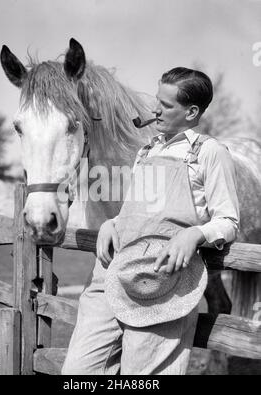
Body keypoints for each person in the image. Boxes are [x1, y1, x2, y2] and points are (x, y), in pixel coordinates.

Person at [62, 67, 240, 375]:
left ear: (191, 111)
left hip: (162, 282)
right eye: (157, 100)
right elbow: (140, 210)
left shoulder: (209, 152)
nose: (155, 109)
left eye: (167, 105)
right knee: (78, 371)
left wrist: (195, 234)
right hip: (114, 274)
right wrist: (112, 223)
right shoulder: (148, 149)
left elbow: (228, 220)